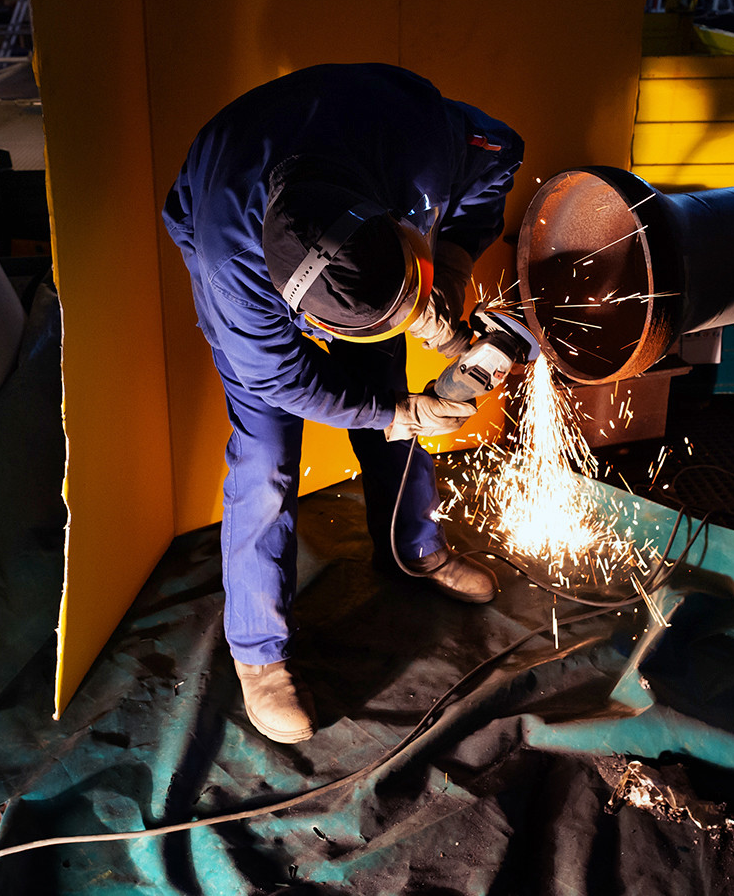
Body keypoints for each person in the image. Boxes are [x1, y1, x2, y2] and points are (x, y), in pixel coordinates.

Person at [162, 63, 523, 743]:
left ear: (391, 224)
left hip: (354, 162)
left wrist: (444, 270)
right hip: (222, 201)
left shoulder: (419, 141)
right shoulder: (232, 269)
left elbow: (499, 158)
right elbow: (285, 380)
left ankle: (412, 544)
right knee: (267, 448)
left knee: (382, 365)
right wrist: (399, 412)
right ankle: (259, 652)